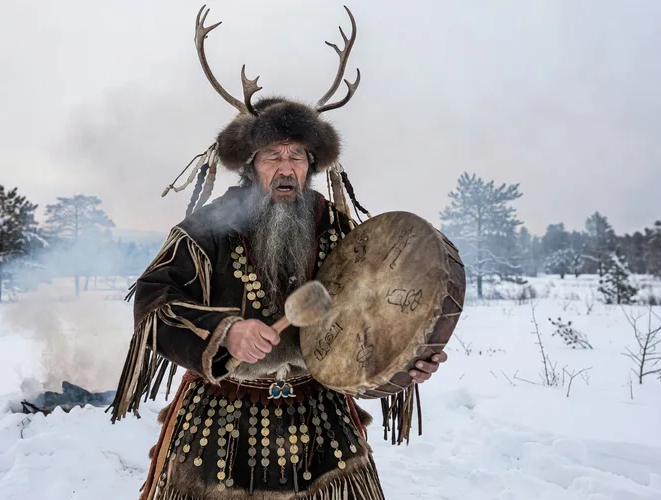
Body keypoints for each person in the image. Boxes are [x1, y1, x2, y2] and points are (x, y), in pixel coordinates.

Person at [109, 6, 447, 499]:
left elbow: (373, 313)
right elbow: (152, 303)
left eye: (297, 156)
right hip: (220, 424)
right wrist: (226, 332)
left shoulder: (335, 224)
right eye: (273, 155)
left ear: (312, 163)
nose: (286, 167)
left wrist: (407, 357)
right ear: (251, 164)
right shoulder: (206, 229)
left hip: (322, 421)